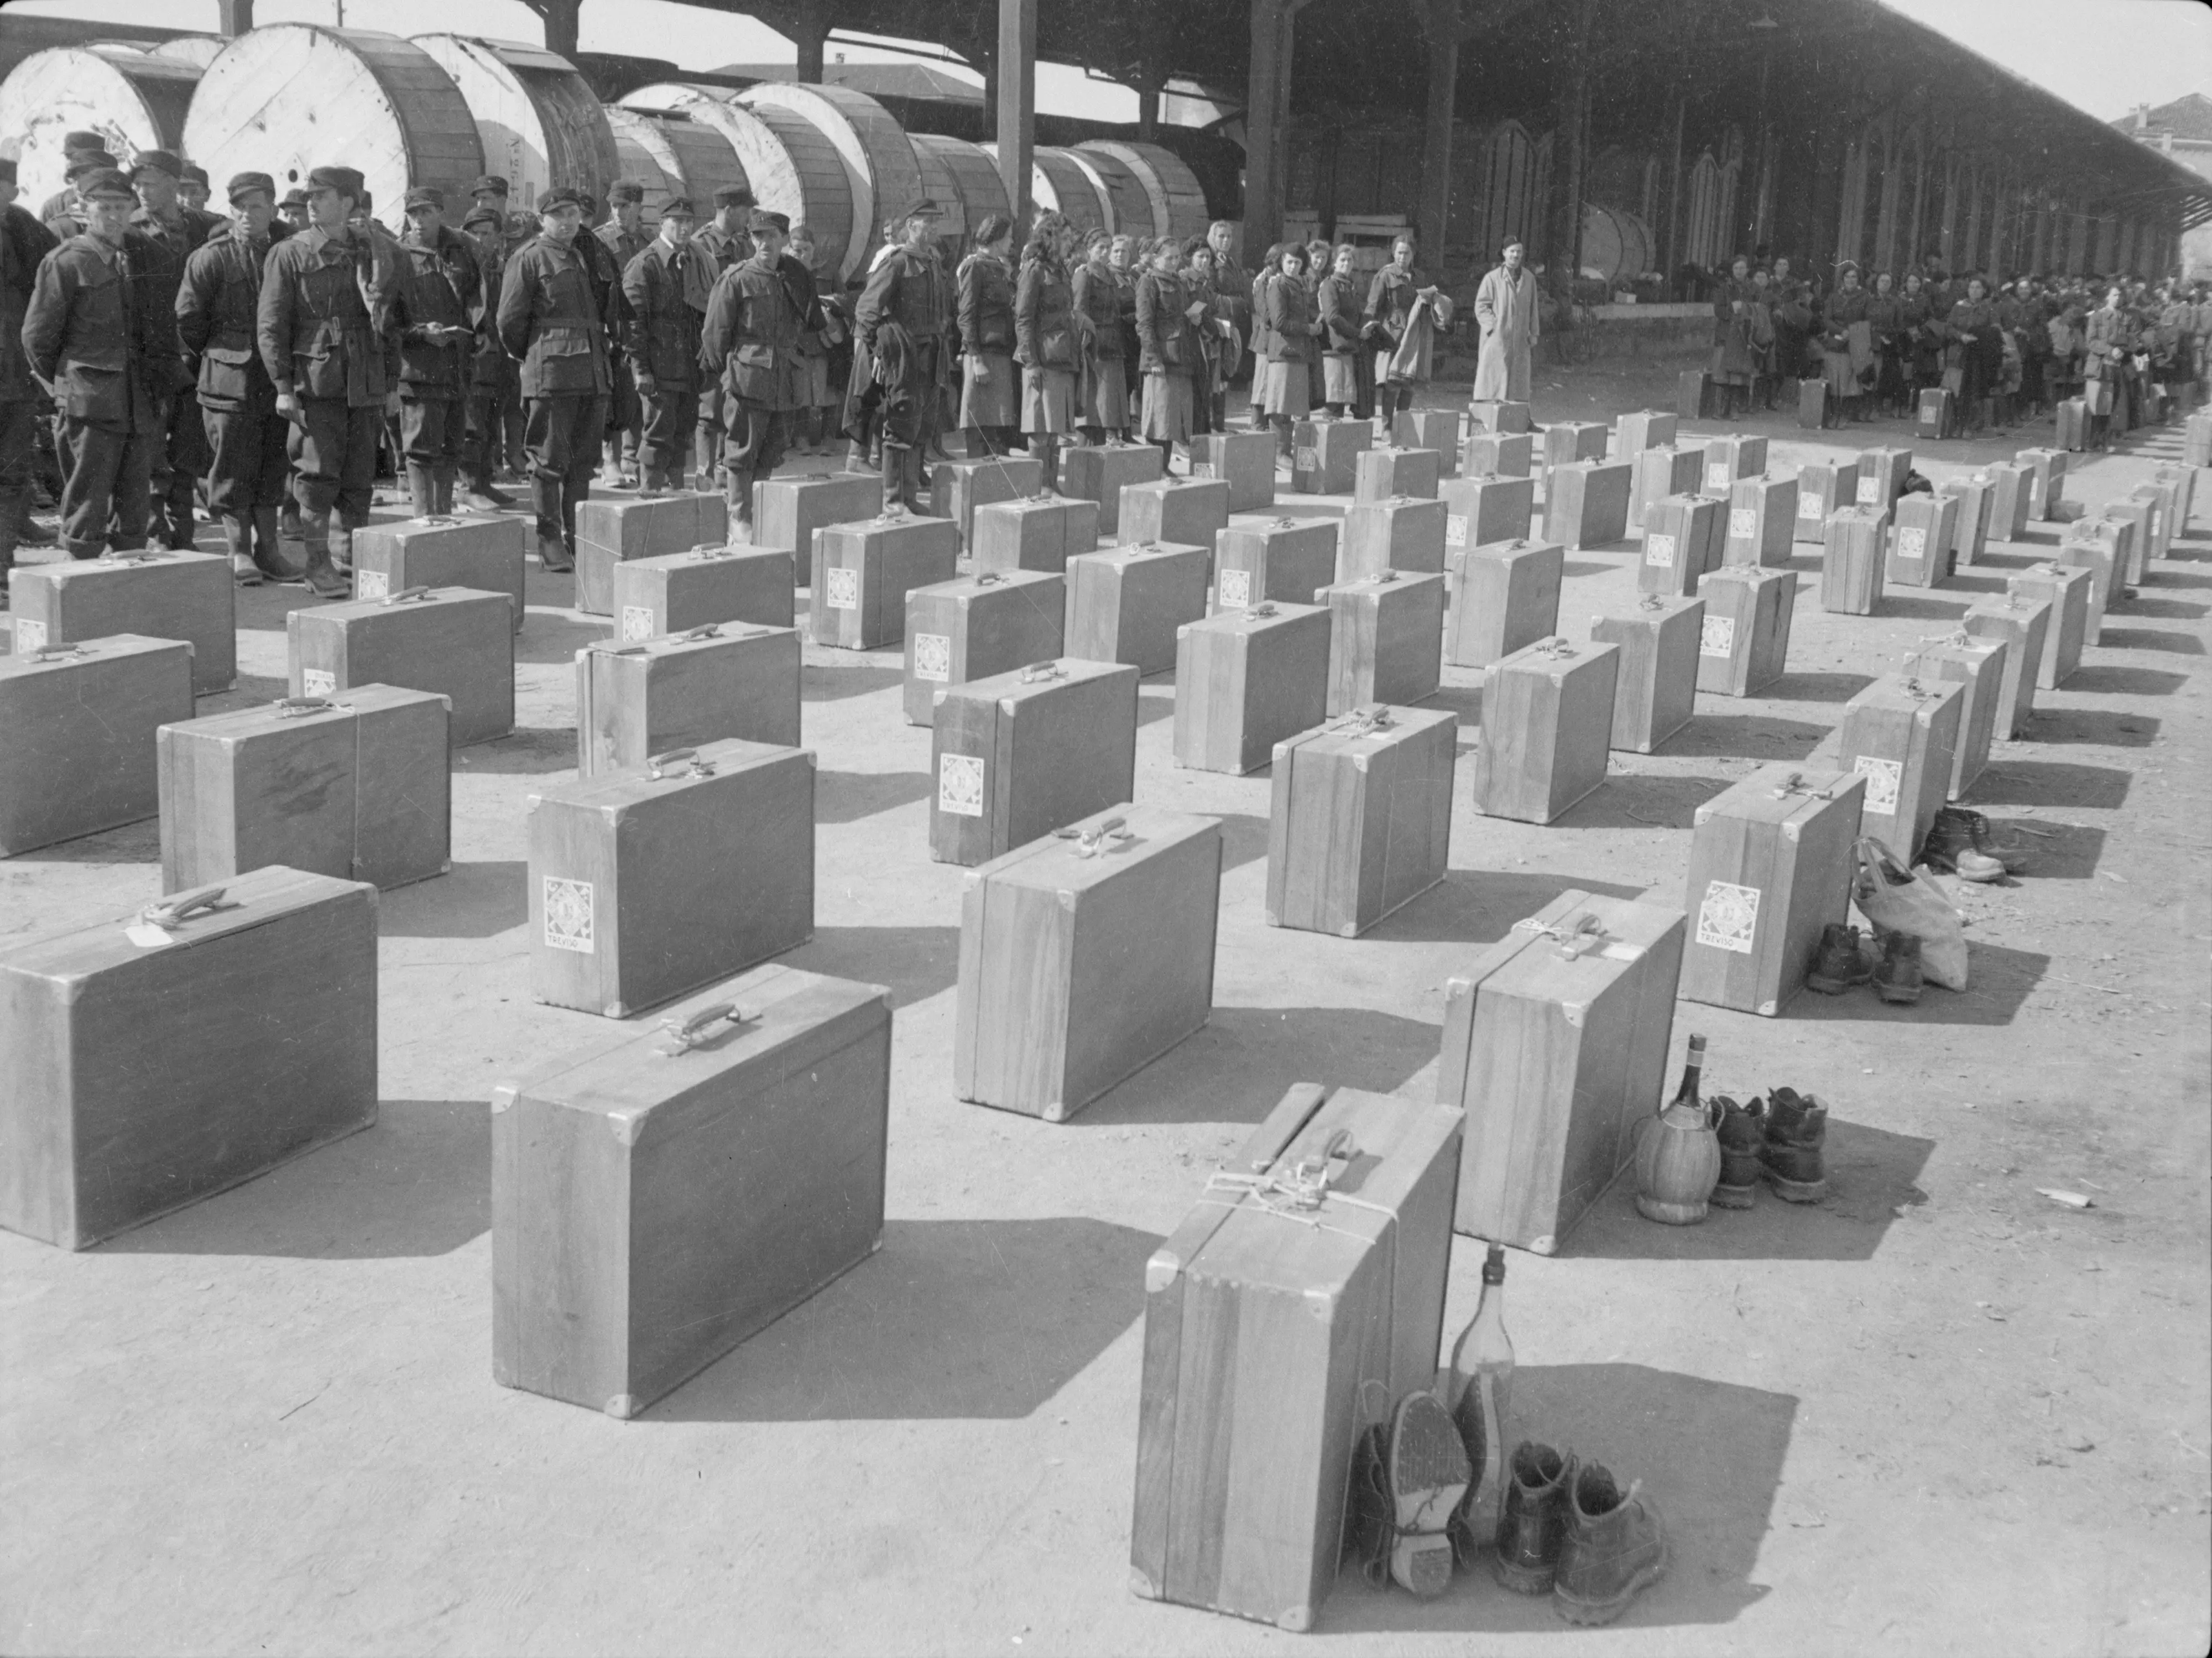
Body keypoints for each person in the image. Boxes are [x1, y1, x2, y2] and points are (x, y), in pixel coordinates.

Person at [257, 165, 392, 596]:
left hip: (365, 377)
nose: (311, 202)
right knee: (316, 477)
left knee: (359, 475)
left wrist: (389, 384)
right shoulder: (291, 253)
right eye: (310, 197)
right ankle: (318, 564)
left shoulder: (372, 249)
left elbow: (391, 320)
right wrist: (281, 385)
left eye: (323, 195)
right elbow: (272, 324)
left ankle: (353, 560)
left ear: (349, 202)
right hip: (317, 380)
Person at [22, 167, 164, 560]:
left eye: (122, 207)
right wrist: (63, 387)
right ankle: (81, 579)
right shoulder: (65, 262)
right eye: (105, 207)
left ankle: (130, 574)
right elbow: (37, 337)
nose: (116, 216)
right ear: (85, 209)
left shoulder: (133, 259)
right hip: (88, 400)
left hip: (135, 399)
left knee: (135, 497)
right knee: (88, 497)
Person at [176, 170, 295, 585]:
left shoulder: (287, 253)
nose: (247, 215)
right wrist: (220, 356)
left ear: (273, 210)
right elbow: (189, 322)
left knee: (272, 465)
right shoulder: (211, 257)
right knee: (231, 468)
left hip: (275, 381)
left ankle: (269, 550)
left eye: (257, 206)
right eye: (240, 208)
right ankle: (238, 551)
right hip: (228, 384)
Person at [498, 186, 619, 571]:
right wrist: (533, 355)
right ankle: (550, 540)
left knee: (584, 463)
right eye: (559, 214)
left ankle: (577, 536)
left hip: (592, 370)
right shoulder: (529, 258)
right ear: (542, 219)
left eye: (573, 214)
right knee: (549, 461)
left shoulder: (585, 254)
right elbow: (508, 322)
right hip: (552, 372)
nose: (568, 221)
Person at [700, 208, 818, 540]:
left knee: (775, 448)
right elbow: (714, 337)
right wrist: (729, 377)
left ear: (784, 239)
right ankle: (739, 516)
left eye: (772, 236)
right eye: (758, 236)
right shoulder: (736, 279)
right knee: (742, 450)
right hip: (748, 380)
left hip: (785, 380)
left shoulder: (795, 276)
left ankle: (758, 510)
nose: (765, 243)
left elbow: (810, 324)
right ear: (751, 240)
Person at [129, 149, 221, 550]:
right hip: (150, 357)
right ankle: (154, 533)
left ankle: (182, 534)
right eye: (138, 184)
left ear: (173, 183)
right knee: (150, 450)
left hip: (192, 356)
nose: (142, 191)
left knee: (188, 450)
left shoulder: (203, 226)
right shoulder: (130, 230)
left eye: (150, 182)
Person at [392, 185, 479, 518]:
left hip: (457, 365)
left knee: (452, 446)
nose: (419, 220)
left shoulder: (461, 252)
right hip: (419, 369)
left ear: (441, 212)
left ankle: (443, 516)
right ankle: (423, 519)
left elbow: (477, 301)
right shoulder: (398, 257)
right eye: (413, 214)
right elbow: (386, 321)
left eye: (426, 212)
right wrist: (420, 334)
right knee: (420, 449)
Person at [620, 195, 707, 493]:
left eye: (689, 222)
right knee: (658, 430)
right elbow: (633, 322)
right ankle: (651, 491)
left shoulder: (693, 260)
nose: (685, 228)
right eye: (678, 222)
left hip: (687, 364)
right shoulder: (645, 264)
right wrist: (641, 369)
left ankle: (676, 491)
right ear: (662, 224)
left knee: (683, 431)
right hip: (659, 365)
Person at [0, 157, 59, 582]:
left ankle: (2, 565)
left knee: (13, 473)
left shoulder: (23, 228)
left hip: (14, 376)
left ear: (12, 193)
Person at [690, 184, 756, 492]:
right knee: (710, 408)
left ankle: (722, 467)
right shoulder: (699, 244)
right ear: (729, 210)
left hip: (740, 336)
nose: (749, 218)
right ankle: (704, 473)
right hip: (714, 333)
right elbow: (696, 293)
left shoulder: (745, 244)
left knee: (735, 404)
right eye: (745, 211)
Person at [1012, 210, 1078, 491]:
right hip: (1042, 359)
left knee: (1056, 428)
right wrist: (1031, 363)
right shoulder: (1035, 270)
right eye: (1064, 238)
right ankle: (1038, 486)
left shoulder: (1061, 268)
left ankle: (1051, 483)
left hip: (1062, 357)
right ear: (1050, 238)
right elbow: (1023, 319)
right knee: (1040, 426)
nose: (1069, 243)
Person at [592, 180, 651, 487]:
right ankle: (609, 461)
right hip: (610, 326)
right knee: (610, 394)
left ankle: (631, 458)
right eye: (615, 206)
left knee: (634, 393)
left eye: (626, 206)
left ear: (639, 208)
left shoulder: (647, 240)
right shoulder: (598, 240)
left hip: (639, 327)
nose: (619, 212)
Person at [1365, 233, 1451, 426]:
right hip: (1391, 332)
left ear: (1413, 255)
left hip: (1413, 332)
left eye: (1407, 253)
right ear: (1393, 253)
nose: (1403, 257)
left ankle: (1401, 426)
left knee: (1408, 382)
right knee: (1392, 382)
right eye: (1399, 253)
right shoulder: (1385, 275)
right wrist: (1371, 327)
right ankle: (1387, 426)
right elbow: (1372, 305)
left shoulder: (1420, 277)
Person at [956, 212, 1019, 458]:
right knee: (979, 422)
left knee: (997, 424)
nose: (1012, 242)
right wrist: (977, 359)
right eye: (1009, 237)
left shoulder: (997, 268)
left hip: (1000, 355)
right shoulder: (975, 267)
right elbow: (966, 315)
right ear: (997, 239)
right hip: (983, 356)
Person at [1134, 236, 1195, 471]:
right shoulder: (1148, 282)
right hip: (1161, 359)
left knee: (1171, 417)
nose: (1174, 262)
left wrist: (1192, 317)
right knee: (1158, 416)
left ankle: (1165, 466)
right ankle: (1154, 469)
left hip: (1180, 356)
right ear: (1155, 258)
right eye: (1168, 258)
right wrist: (1153, 359)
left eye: (1177, 258)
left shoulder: (1178, 283)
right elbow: (1144, 325)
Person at [1258, 242, 1322, 463]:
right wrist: (1308, 328)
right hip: (1284, 352)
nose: (1293, 267)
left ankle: (1285, 450)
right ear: (1281, 262)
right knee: (1280, 405)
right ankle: (1279, 452)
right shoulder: (1279, 285)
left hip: (1298, 352)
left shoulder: (1298, 285)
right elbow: (1279, 322)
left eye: (1297, 263)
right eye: (1289, 262)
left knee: (1293, 404)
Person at [1071, 227, 1127, 445]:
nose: (1105, 252)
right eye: (1100, 248)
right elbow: (1078, 313)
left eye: (1108, 248)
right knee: (1092, 411)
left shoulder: (1110, 276)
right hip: (1094, 351)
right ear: (1089, 250)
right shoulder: (1084, 275)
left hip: (1113, 347)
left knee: (1107, 410)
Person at [1471, 236, 1540, 405]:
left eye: (1519, 252)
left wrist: (1534, 333)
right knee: (1494, 378)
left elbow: (1534, 308)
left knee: (1518, 382)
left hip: (1521, 337)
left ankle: (1519, 419)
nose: (1516, 255)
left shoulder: (1529, 278)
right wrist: (1492, 328)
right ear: (1504, 253)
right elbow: (1481, 306)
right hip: (1497, 337)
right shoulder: (1492, 278)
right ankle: (1491, 416)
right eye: (1512, 251)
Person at [1202, 219, 1249, 431]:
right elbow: (1209, 295)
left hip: (1232, 320)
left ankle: (1220, 425)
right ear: (1212, 238)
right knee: (1217, 373)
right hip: (1218, 321)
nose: (1225, 240)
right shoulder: (1209, 262)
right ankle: (1214, 425)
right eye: (1221, 236)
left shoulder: (1230, 261)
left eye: (1229, 236)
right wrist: (1234, 304)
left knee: (1226, 372)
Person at [1944, 275, 2003, 435]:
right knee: (1956, 389)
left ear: (1984, 291)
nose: (1975, 290)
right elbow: (1948, 327)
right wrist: (1961, 336)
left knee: (1973, 390)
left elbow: (1996, 330)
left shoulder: (1990, 309)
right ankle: (1956, 425)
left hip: (1978, 355)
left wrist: (1980, 335)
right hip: (1959, 353)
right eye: (1972, 287)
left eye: (1978, 287)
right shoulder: (1958, 307)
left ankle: (1970, 425)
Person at [1317, 242, 1368, 419]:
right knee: (1333, 399)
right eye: (1343, 259)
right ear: (1334, 263)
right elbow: (1332, 317)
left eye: (1350, 260)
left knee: (1341, 399)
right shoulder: (1330, 285)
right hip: (1333, 348)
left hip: (1347, 348)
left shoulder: (1350, 286)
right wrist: (1357, 332)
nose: (1346, 264)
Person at [1820, 262, 1873, 425]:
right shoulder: (1834, 296)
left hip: (1855, 342)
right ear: (1842, 279)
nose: (1850, 280)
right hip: (1836, 343)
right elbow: (1827, 319)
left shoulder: (1865, 297)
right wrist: (1839, 331)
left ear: (1859, 279)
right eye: (1847, 277)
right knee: (1834, 379)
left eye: (1854, 277)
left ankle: (1847, 413)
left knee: (1850, 381)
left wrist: (1852, 332)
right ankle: (1833, 414)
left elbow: (1869, 319)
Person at [1709, 254, 1760, 419]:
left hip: (1742, 335)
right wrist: (1731, 310)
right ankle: (1720, 409)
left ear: (1747, 270)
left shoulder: (1753, 289)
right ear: (1732, 270)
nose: (1739, 271)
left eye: (1742, 268)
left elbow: (1758, 311)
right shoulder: (1724, 287)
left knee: (1737, 375)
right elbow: (1718, 311)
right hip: (1725, 334)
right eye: (1736, 268)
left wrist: (1744, 309)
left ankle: (1734, 409)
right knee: (1722, 373)